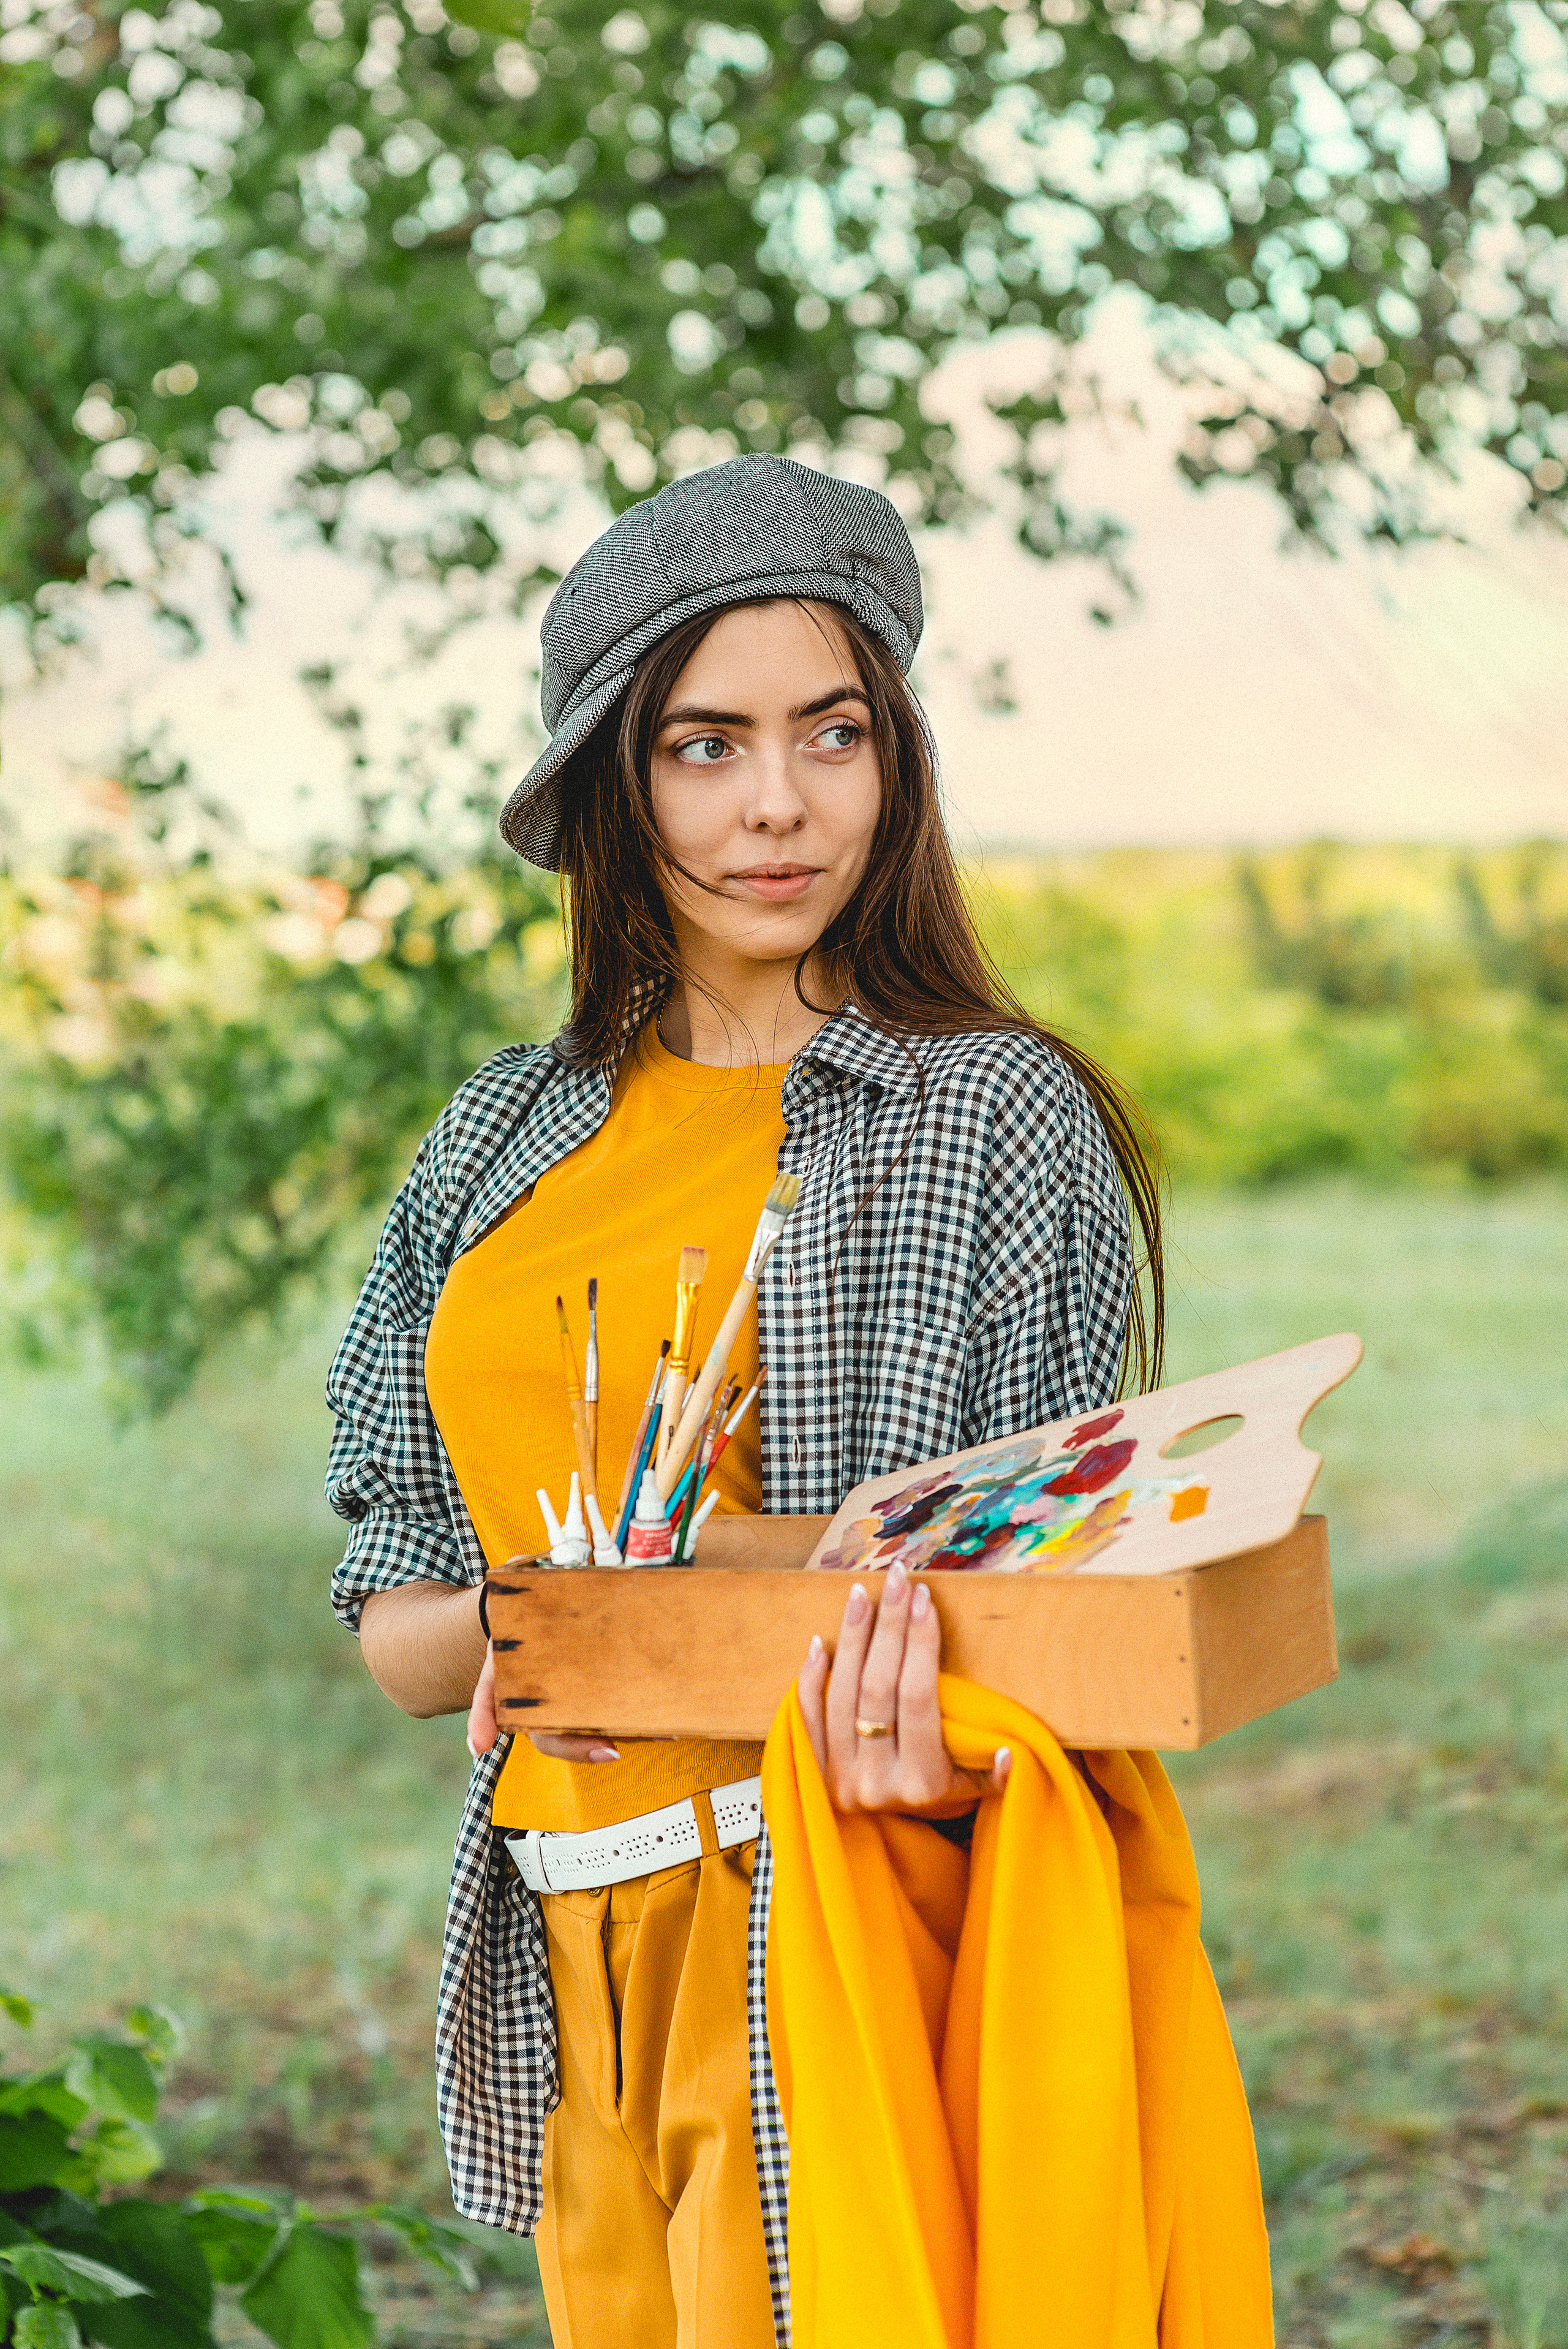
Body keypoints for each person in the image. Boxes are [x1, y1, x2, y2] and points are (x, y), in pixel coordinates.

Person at [326, 455, 1176, 2346]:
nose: (780, 802)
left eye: (833, 733)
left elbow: (1052, 1590)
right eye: (706, 745)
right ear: (616, 786)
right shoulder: (492, 1143)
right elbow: (402, 1618)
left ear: (900, 758)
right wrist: (564, 1622)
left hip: (835, 1915)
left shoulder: (990, 1114)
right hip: (565, 1952)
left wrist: (692, 1567)